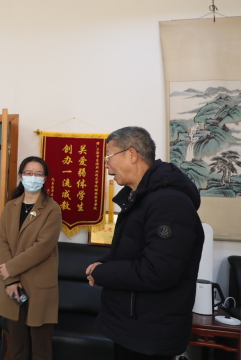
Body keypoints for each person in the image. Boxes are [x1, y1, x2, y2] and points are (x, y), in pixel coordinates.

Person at [86, 126, 204, 360]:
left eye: (108, 156)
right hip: (133, 327)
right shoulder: (142, 198)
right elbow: (133, 252)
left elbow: (158, 271)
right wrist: (103, 263)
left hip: (149, 334)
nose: (106, 165)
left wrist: (103, 273)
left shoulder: (169, 203)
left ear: (132, 155)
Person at [0, 156, 61, 360]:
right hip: (14, 285)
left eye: (38, 174)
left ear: (45, 179)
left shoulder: (52, 209)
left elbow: (42, 248)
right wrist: (11, 280)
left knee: (41, 348)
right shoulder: (10, 206)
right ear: (21, 176)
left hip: (39, 284)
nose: (33, 177)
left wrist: (10, 269)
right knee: (17, 346)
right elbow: (3, 242)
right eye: (28, 173)